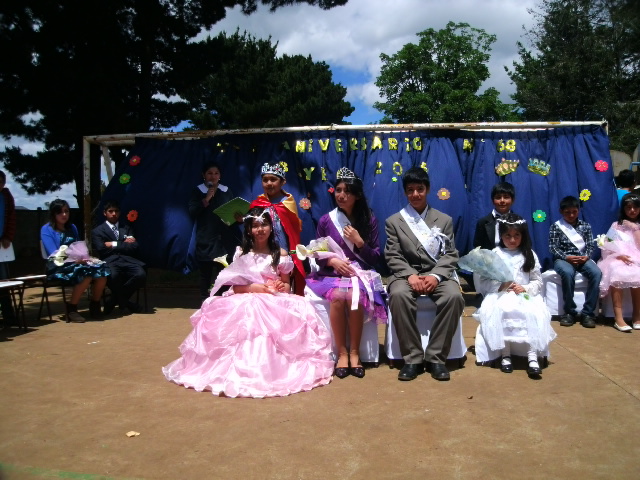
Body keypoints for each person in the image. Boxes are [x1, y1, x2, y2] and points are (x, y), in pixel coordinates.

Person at [162, 207, 334, 398]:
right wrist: (256, 288)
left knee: (287, 312)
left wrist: (280, 285)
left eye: (264, 225)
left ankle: (271, 369)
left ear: (271, 227)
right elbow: (236, 288)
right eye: (255, 226)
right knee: (245, 312)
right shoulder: (242, 253)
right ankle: (238, 369)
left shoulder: (280, 254)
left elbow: (287, 286)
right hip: (245, 296)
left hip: (274, 299)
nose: (260, 229)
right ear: (249, 230)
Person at [305, 167, 387, 379]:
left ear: (357, 196)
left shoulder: (369, 220)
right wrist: (332, 260)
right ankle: (342, 353)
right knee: (338, 297)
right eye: (338, 190)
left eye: (347, 191)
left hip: (359, 274)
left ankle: (355, 353)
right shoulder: (326, 220)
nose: (341, 195)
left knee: (353, 297)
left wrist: (360, 243)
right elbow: (317, 252)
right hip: (332, 275)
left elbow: (374, 258)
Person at [384, 167, 465, 381]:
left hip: (436, 274)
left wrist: (436, 276)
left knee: (454, 297)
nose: (415, 194)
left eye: (420, 189)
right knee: (399, 295)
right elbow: (392, 255)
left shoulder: (444, 220)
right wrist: (410, 275)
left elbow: (450, 254)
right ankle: (412, 359)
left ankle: (436, 358)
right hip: (405, 275)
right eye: (410, 190)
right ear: (405, 192)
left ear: (427, 189)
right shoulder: (394, 221)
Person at [474, 213, 557, 378]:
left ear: (523, 236)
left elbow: (537, 281)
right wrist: (501, 286)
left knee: (532, 313)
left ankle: (532, 356)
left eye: (516, 235)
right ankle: (506, 354)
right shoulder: (495, 254)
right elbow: (484, 282)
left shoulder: (529, 254)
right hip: (501, 295)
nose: (512, 240)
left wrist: (525, 288)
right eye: (508, 236)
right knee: (502, 310)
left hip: (524, 295)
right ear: (501, 236)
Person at [41, 199, 109, 323]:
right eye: (60, 212)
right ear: (53, 214)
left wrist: (84, 258)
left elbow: (77, 247)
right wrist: (73, 260)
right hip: (58, 264)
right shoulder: (46, 229)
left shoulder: (72, 227)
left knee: (101, 271)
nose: (64, 215)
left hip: (76, 261)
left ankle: (95, 304)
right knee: (86, 274)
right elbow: (53, 253)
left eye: (66, 211)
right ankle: (72, 309)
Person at [250, 162, 305, 295]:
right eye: (265, 180)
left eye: (273, 179)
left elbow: (293, 231)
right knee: (265, 287)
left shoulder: (287, 203)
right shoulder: (258, 203)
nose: (269, 183)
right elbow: (251, 227)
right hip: (263, 253)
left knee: (282, 288)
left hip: (283, 253)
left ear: (283, 182)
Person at [189, 162, 241, 302]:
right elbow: (192, 211)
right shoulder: (198, 191)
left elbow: (232, 212)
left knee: (223, 273)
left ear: (220, 175)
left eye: (216, 173)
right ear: (204, 175)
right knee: (205, 274)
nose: (213, 176)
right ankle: (205, 301)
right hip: (206, 237)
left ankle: (222, 301)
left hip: (224, 239)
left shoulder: (226, 190)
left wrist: (238, 218)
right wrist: (206, 199)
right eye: (210, 173)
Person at [548, 196, 602, 328]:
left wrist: (586, 256)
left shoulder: (585, 226)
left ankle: (588, 313)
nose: (571, 215)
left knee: (596, 273)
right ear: (561, 211)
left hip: (582, 259)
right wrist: (566, 257)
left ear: (578, 210)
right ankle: (569, 312)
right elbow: (553, 247)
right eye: (567, 212)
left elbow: (590, 245)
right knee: (567, 273)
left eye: (574, 212)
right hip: (564, 259)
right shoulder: (556, 227)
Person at [91, 200, 146, 314]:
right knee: (113, 276)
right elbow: (101, 249)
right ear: (105, 213)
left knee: (140, 274)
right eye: (110, 211)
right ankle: (127, 303)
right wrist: (123, 244)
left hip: (128, 260)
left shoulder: (126, 228)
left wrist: (113, 244)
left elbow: (134, 247)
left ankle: (113, 301)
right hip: (110, 261)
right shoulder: (97, 231)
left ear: (119, 213)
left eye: (116, 211)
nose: (114, 214)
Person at [597, 193, 640, 332]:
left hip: (637, 258)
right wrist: (618, 255)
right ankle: (618, 317)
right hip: (618, 258)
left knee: (638, 273)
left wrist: (635, 229)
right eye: (628, 207)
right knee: (617, 271)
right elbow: (607, 245)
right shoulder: (616, 225)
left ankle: (637, 315)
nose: (632, 210)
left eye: (635, 207)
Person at [473, 182, 516, 250]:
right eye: (498, 198)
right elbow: (478, 248)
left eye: (506, 197)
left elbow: (525, 245)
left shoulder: (519, 222)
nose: (502, 201)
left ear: (512, 200)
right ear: (492, 200)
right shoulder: (483, 223)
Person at [0, 171, 17, 327]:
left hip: (2, 245)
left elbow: (11, 218)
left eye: (0, 182)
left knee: (4, 282)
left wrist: (8, 237)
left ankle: (8, 316)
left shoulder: (6, 197)